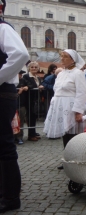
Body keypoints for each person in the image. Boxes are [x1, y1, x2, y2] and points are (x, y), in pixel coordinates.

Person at [0, 0, 30, 212]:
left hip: (2, 93)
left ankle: (10, 198)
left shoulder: (2, 28)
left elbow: (21, 55)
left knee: (4, 145)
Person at [43, 49, 86, 170]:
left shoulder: (78, 73)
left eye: (65, 57)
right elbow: (57, 89)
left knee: (73, 134)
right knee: (65, 134)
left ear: (72, 60)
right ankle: (67, 158)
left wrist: (78, 111)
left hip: (71, 106)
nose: (62, 59)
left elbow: (82, 93)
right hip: (60, 106)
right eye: (61, 56)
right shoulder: (61, 73)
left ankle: (76, 159)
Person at [22, 61, 44, 141]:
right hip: (29, 99)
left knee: (34, 117)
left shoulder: (37, 77)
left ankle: (33, 132)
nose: (34, 68)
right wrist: (38, 87)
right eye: (32, 67)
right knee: (30, 117)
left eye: (35, 67)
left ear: (38, 68)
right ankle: (30, 135)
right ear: (29, 68)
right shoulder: (26, 76)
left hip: (36, 99)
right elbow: (29, 85)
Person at [14, 70, 28, 145]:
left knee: (21, 122)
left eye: (21, 74)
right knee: (13, 122)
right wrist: (18, 93)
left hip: (21, 105)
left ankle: (19, 137)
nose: (20, 76)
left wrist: (27, 87)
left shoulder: (23, 80)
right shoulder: (11, 81)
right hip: (13, 104)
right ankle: (13, 137)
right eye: (19, 74)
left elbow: (32, 85)